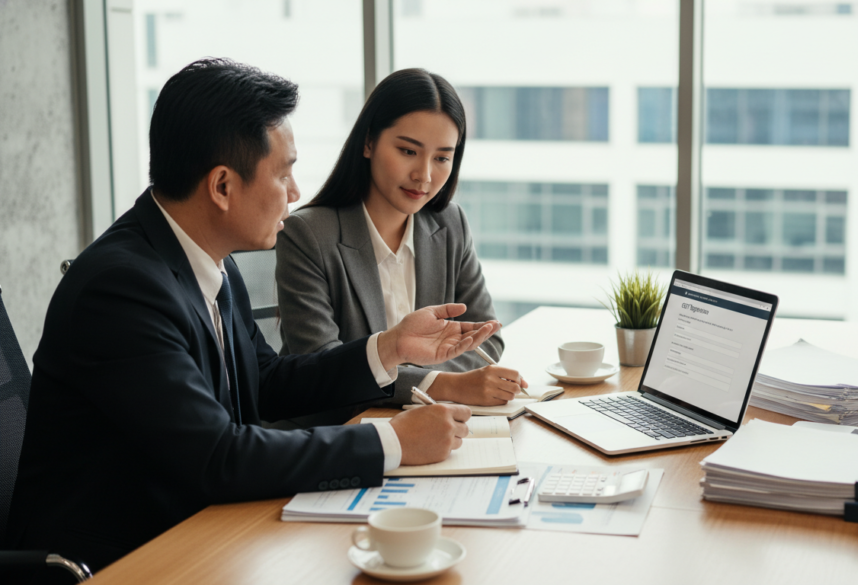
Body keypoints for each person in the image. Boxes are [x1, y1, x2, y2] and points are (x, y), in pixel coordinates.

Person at [5, 59, 499, 577]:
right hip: (119, 560)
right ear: (222, 186)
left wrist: (390, 348)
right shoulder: (121, 288)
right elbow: (217, 456)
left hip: (201, 532)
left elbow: (264, 382)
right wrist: (394, 441)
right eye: (283, 172)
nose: (295, 192)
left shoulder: (210, 260)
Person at [276, 68, 524, 423]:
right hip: (342, 435)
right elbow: (323, 367)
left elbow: (486, 338)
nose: (424, 175)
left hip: (437, 427)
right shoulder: (308, 235)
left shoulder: (450, 224)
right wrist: (445, 384)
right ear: (368, 142)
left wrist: (420, 380)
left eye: (442, 157)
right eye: (409, 150)